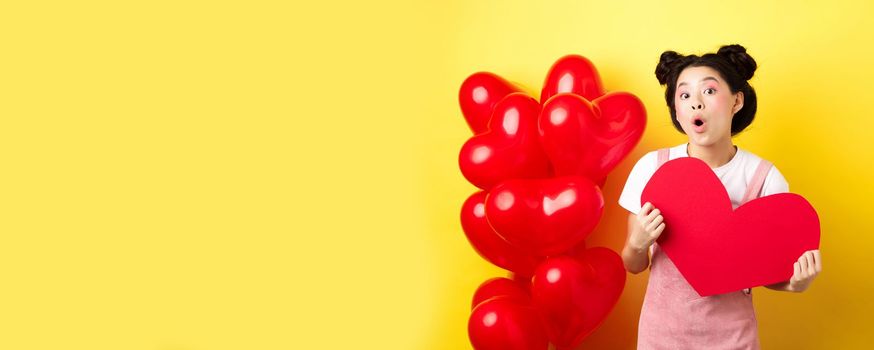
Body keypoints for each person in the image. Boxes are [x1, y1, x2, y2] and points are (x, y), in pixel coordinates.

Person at [617, 44, 823, 349]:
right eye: (684, 95)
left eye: (709, 91)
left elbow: (765, 271)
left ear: (736, 101)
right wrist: (638, 242)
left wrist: (793, 283)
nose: (695, 103)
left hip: (732, 338)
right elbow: (632, 263)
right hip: (661, 335)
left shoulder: (764, 178)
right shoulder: (653, 169)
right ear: (676, 109)